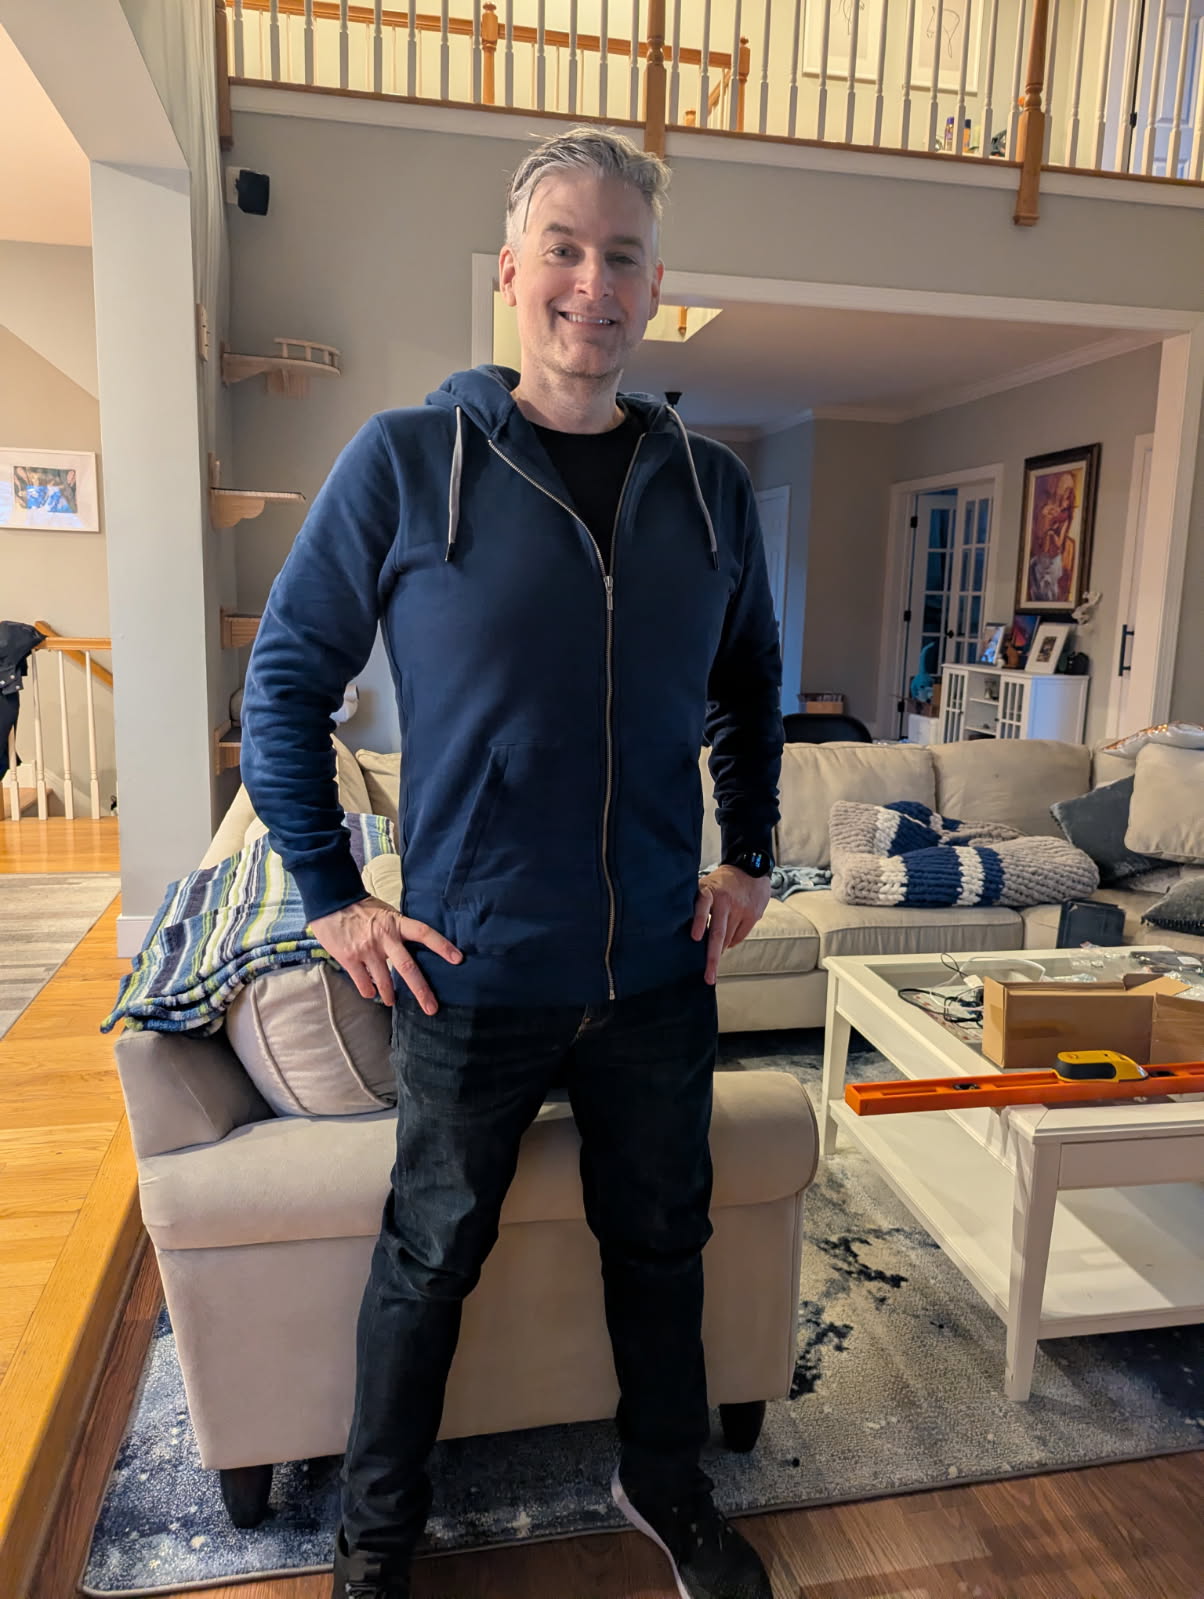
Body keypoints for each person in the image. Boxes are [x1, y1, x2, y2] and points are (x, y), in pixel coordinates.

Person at [241, 125, 784, 1599]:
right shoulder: (411, 462)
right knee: (426, 1269)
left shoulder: (710, 488)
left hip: (660, 972)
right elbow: (285, 681)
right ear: (512, 270)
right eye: (565, 249)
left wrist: (755, 858)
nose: (590, 285)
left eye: (621, 259)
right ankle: (375, 1544)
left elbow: (749, 687)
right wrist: (331, 898)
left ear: (654, 289)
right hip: (476, 971)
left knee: (661, 1251)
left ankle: (666, 1487)